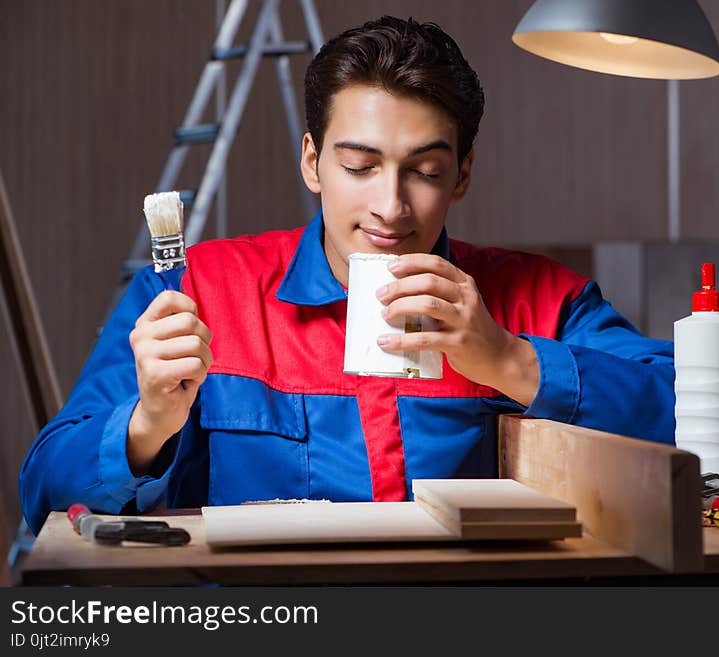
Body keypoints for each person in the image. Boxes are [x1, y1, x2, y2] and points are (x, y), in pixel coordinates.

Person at [19, 16, 675, 533]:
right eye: (360, 165)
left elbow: (686, 413)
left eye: (424, 170)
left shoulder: (539, 298)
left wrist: (509, 359)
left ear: (463, 173)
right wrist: (148, 424)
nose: (391, 206)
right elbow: (45, 488)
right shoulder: (199, 291)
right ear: (312, 161)